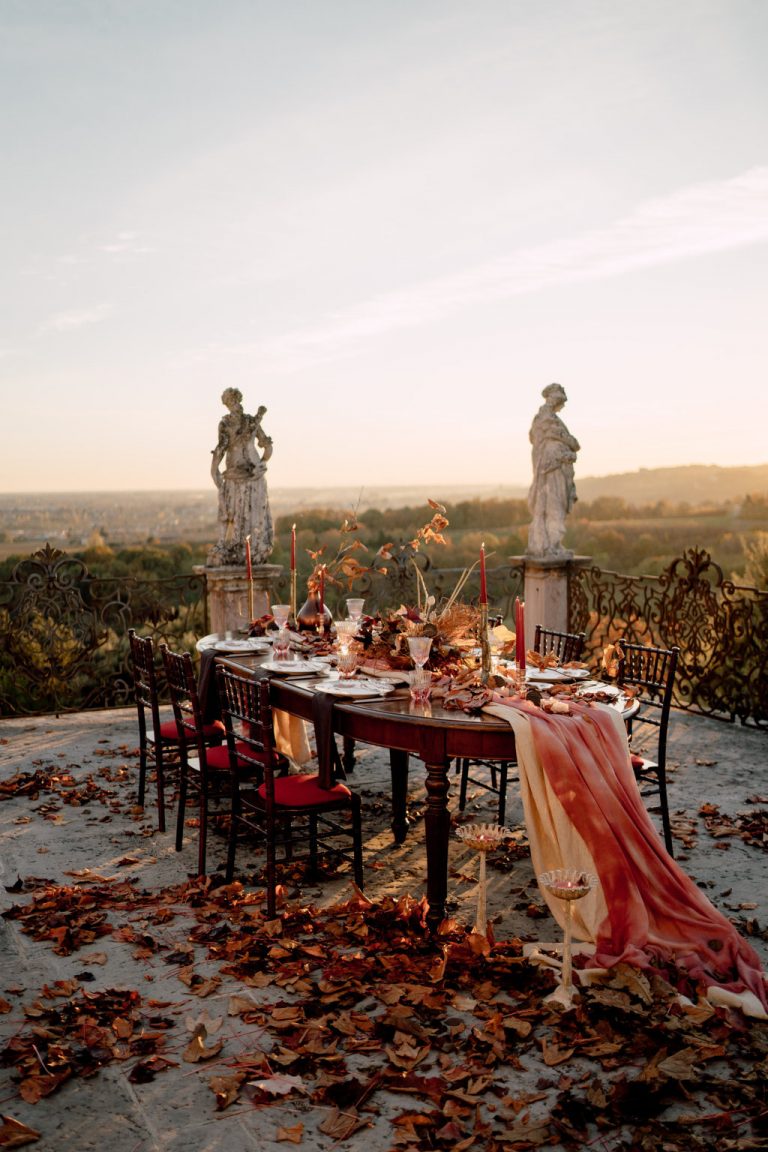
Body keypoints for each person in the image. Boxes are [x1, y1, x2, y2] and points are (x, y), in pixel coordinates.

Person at [208, 388, 274, 567]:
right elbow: (221, 448)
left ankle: (253, 550)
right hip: (234, 476)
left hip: (253, 477)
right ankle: (237, 549)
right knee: (234, 515)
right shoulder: (227, 423)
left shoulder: (251, 421)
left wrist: (261, 464)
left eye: (233, 401)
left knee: (253, 516)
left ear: (238, 400)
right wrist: (214, 469)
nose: (232, 405)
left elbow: (267, 447)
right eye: (229, 403)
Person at [527, 383, 580, 557]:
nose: (562, 404)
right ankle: (550, 545)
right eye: (561, 399)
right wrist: (566, 450)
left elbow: (572, 444)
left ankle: (552, 544)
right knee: (554, 503)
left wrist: (568, 451)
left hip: (554, 468)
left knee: (555, 504)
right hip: (550, 469)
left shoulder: (547, 418)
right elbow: (572, 443)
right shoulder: (545, 418)